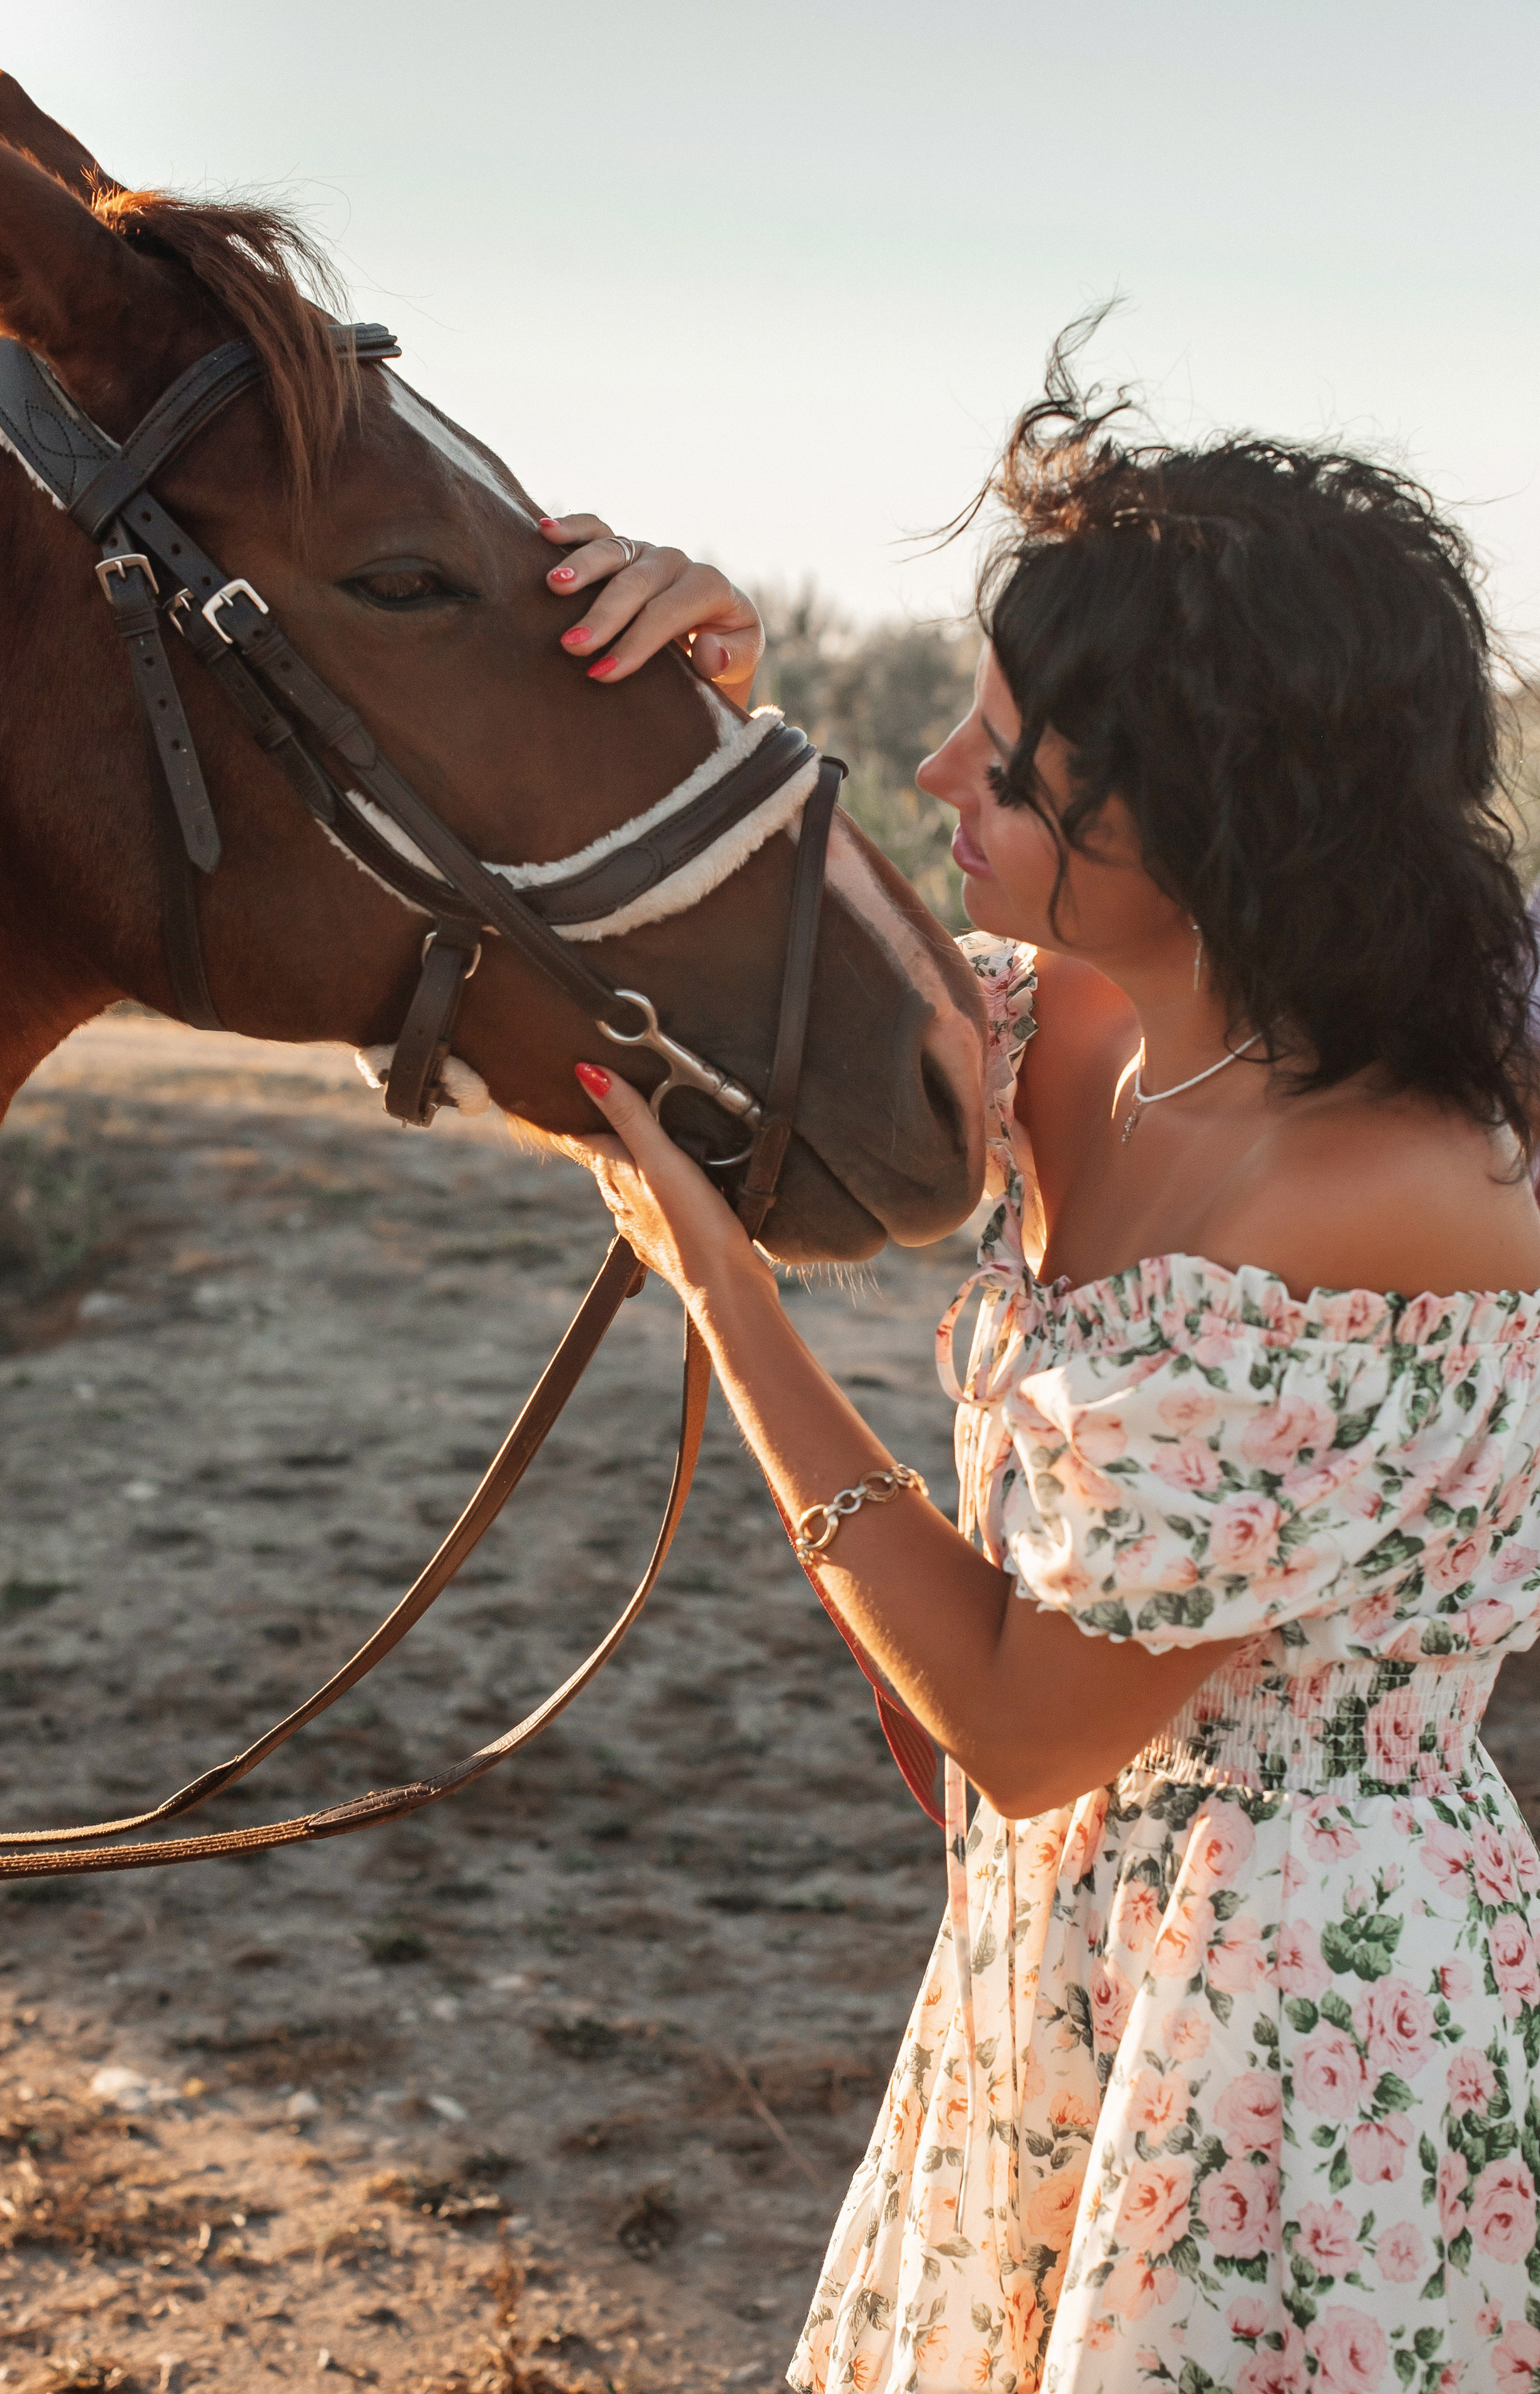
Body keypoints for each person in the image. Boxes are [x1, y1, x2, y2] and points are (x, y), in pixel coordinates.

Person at [535, 346, 1540, 2394]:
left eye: (1003, 764)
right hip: (1078, 1953)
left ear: (1215, 825)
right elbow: (832, 958)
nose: (935, 783)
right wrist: (692, 711)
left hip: (1280, 2043)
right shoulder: (1098, 1011)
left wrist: (732, 1303)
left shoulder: (1367, 1206)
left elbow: (1017, 1717)